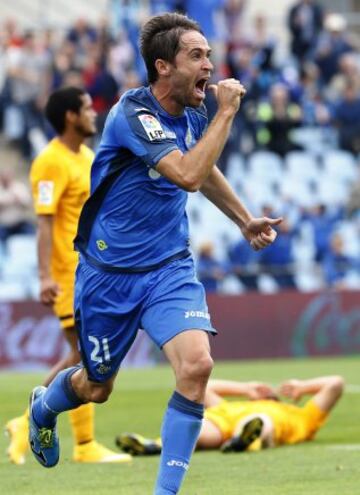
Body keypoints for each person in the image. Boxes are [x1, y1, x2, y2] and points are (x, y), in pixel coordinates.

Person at [27, 13, 281, 494]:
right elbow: (186, 172)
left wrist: (244, 218)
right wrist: (227, 113)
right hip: (109, 274)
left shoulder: (193, 112)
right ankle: (44, 406)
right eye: (197, 55)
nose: (210, 63)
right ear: (163, 66)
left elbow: (202, 170)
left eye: (209, 53)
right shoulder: (133, 114)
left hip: (168, 267)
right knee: (97, 387)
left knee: (197, 366)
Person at [6, 86, 130, 465]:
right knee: (85, 356)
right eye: (88, 108)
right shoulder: (49, 162)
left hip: (91, 270)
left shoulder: (88, 157)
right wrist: (45, 275)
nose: (95, 114)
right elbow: (44, 222)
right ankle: (79, 441)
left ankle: (28, 422)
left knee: (83, 353)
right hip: (65, 273)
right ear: (71, 117)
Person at [116, 375, 344, 455]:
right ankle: (154, 446)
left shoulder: (302, 415)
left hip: (269, 424)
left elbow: (335, 383)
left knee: (260, 422)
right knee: (196, 427)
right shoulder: (229, 406)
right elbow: (203, 387)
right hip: (222, 422)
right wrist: (245, 389)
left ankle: (246, 438)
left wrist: (302, 387)